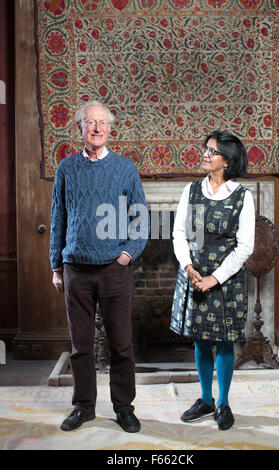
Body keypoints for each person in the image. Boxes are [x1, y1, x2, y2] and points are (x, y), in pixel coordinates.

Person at [50, 100, 148, 433]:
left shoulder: (124, 168)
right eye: (90, 122)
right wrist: (56, 266)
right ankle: (84, 407)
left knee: (121, 343)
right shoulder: (66, 168)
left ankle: (124, 407)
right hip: (76, 268)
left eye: (102, 123)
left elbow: (141, 218)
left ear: (109, 129)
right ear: (80, 128)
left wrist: (128, 254)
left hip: (114, 269)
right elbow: (58, 218)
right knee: (80, 346)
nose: (96, 128)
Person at [170, 130, 255, 431]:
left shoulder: (242, 197)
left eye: (212, 151)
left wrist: (214, 278)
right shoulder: (192, 192)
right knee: (201, 339)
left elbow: (245, 246)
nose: (205, 154)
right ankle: (205, 398)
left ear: (228, 161)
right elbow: (182, 233)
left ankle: (223, 403)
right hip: (194, 274)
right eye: (205, 149)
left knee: (224, 342)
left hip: (226, 280)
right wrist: (188, 266)